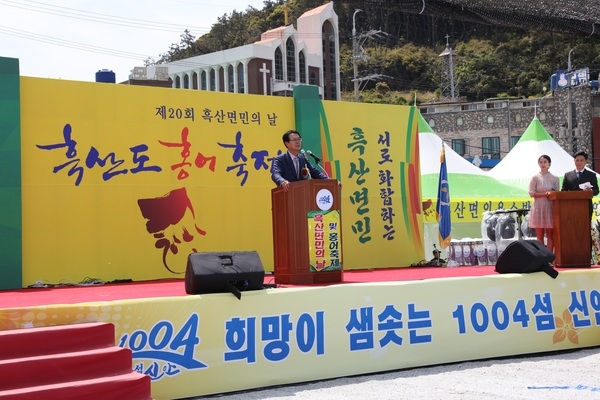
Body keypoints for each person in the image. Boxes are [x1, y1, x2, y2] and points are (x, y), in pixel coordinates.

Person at [528, 154, 559, 252]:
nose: (543, 164)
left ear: (549, 164)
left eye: (545, 162)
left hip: (550, 207)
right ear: (538, 164)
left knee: (550, 234)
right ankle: (542, 257)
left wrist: (551, 193)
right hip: (538, 207)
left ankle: (549, 257)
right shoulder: (535, 177)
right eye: (541, 162)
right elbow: (531, 193)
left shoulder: (555, 178)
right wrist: (545, 194)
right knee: (539, 234)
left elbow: (557, 193)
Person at [561, 150, 599, 219]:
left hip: (586, 205)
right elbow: (563, 190)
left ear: (586, 161)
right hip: (571, 205)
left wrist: (590, 191)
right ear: (574, 161)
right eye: (577, 160)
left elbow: (596, 191)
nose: (579, 162)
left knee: (585, 227)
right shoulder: (568, 175)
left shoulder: (591, 175)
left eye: (582, 160)